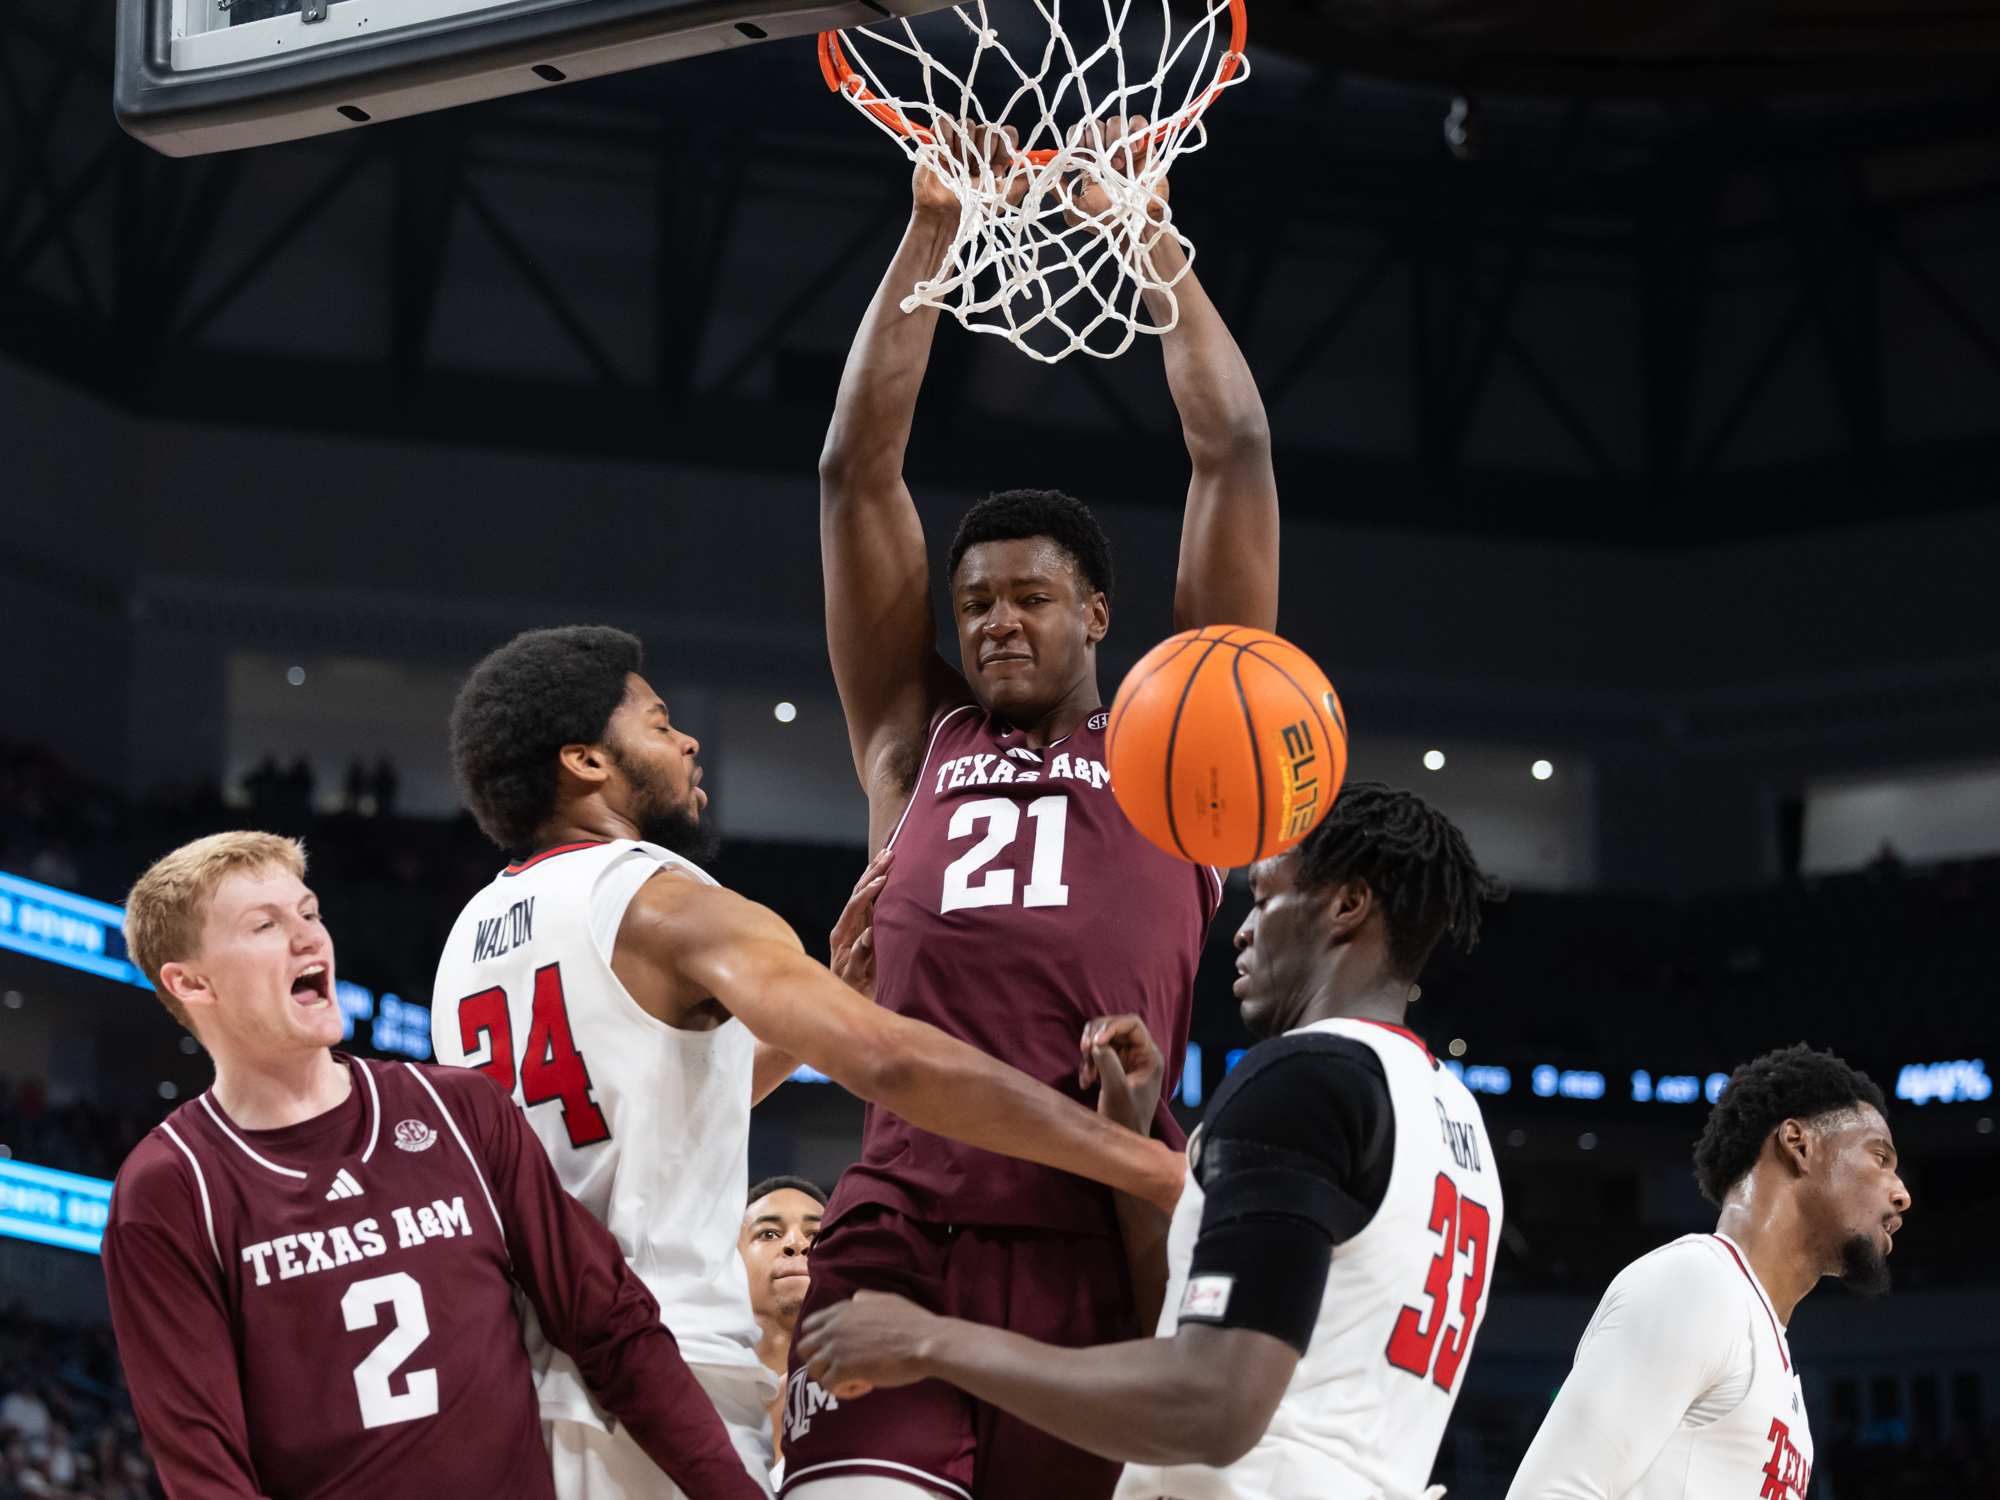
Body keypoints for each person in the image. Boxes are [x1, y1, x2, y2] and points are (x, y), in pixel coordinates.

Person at [799, 117, 1281, 1500]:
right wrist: (933, 229)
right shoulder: (917, 742)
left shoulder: (1186, 758)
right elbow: (853, 473)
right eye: (972, 605)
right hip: (903, 1214)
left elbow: (1233, 451)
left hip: (1100, 1227)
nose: (994, 623)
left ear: (1098, 615)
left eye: (1027, 599)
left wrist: (1151, 242)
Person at [431, 627, 1181, 1500]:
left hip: (514, 1388)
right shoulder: (664, 898)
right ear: (587, 763)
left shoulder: (472, 937)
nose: (687, 741)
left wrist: (824, 997)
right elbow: (890, 1063)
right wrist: (1152, 1166)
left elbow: (656, 1122)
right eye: (659, 722)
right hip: (653, 1379)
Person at [798, 783, 1508, 1500]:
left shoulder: (1306, 1077)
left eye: (1264, 899)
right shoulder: (1453, 1115)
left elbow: (1214, 1404)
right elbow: (1218, 1326)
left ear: (1347, 905)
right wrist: (1128, 1141)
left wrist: (930, 1340)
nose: (1242, 929)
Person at [103, 831, 764, 1500]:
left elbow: (610, 1325)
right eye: (265, 925)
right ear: (190, 982)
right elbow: (203, 1466)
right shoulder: (170, 1186)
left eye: (309, 912)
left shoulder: (458, 1108)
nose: (309, 939)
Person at [1503, 1045, 1911, 1500]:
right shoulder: (1697, 1283)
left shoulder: (1768, 1348)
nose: (1902, 1194)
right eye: (1880, 1158)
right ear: (1799, 1145)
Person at [740, 1178, 829, 1469]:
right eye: (768, 1234)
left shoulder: (876, 1394)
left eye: (815, 1235)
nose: (797, 1244)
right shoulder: (689, 1386)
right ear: (730, 1262)